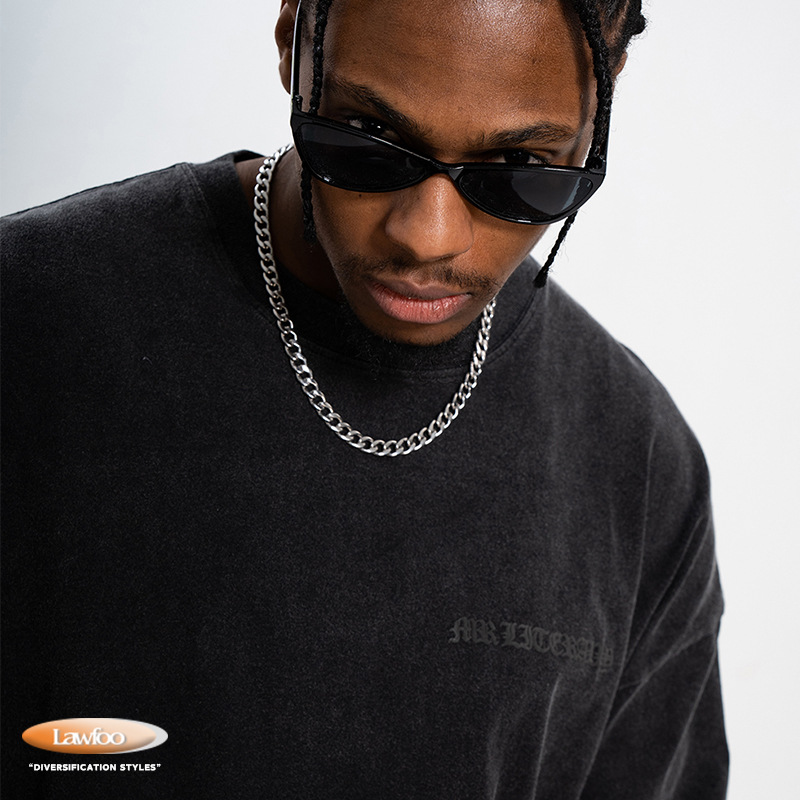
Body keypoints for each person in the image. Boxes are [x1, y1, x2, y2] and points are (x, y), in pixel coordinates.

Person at [1, 0, 728, 797]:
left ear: (605, 91)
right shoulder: (32, 318)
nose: (427, 236)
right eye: (368, 139)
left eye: (520, 166)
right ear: (294, 41)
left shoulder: (638, 460)